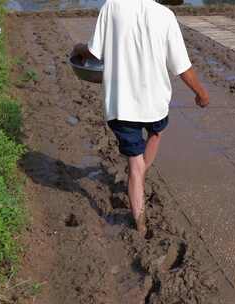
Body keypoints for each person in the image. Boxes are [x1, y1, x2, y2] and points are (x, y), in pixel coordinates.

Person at [72, 0, 209, 235]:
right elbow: (182, 66)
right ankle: (140, 187)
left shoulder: (112, 6)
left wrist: (78, 48)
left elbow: (94, 52)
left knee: (135, 165)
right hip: (155, 103)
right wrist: (201, 94)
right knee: (156, 132)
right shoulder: (165, 15)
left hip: (122, 105)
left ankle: (140, 218)